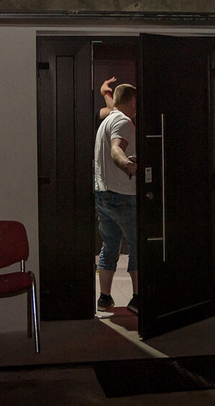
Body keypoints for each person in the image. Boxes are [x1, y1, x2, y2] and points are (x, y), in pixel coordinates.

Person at [93, 80, 139, 313]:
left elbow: (113, 107)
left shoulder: (107, 121)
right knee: (137, 244)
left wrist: (105, 94)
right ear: (131, 101)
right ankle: (138, 299)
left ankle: (104, 298)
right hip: (122, 195)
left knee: (109, 245)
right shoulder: (124, 122)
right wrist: (126, 164)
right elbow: (116, 149)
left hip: (102, 195)